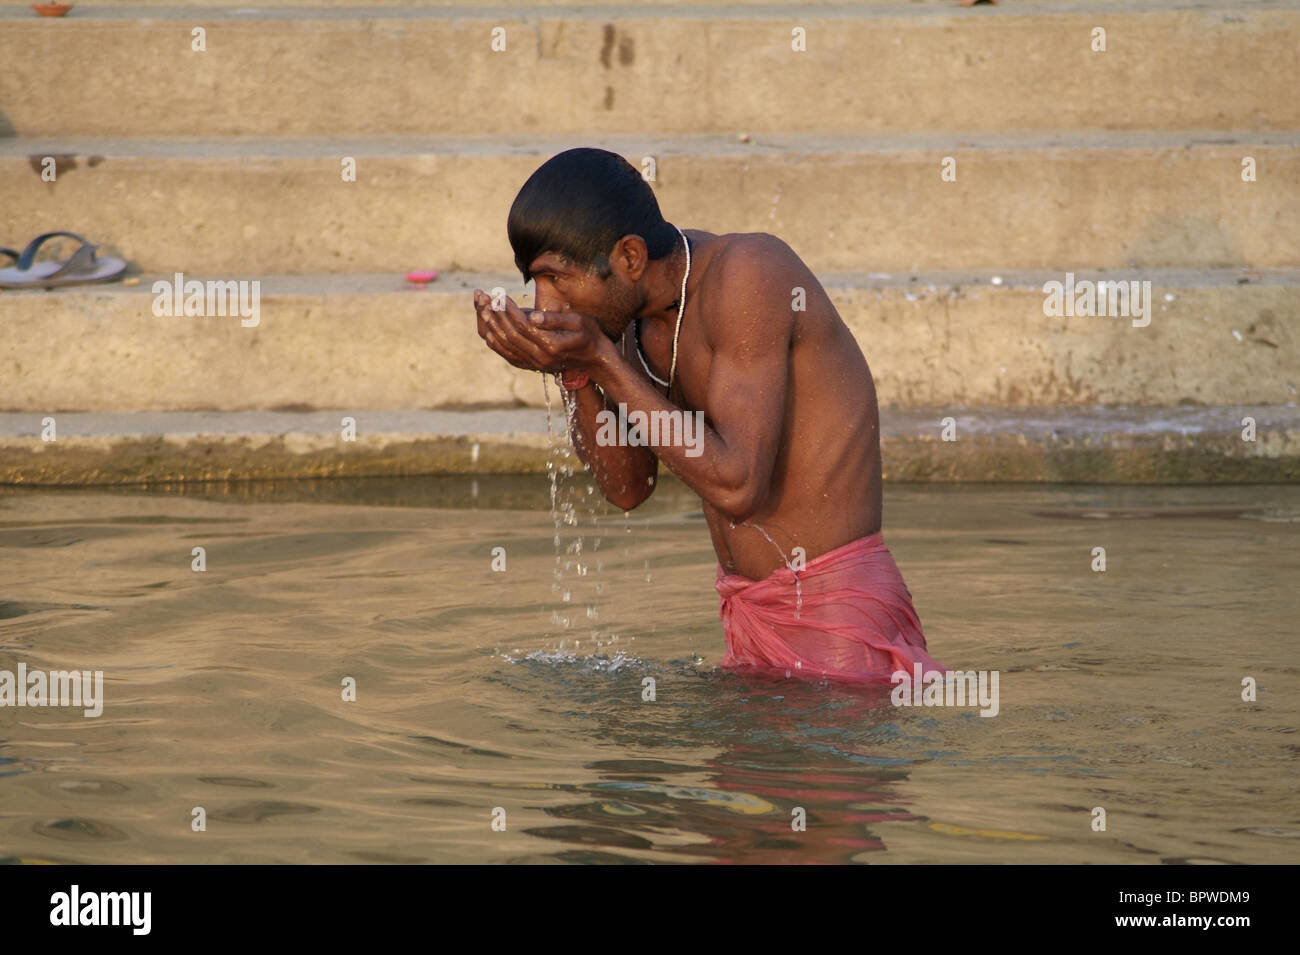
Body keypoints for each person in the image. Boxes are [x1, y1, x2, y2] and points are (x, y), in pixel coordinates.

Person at [474, 147, 946, 683]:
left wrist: (600, 360)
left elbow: (739, 484)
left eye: (557, 279)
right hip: (746, 619)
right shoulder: (626, 317)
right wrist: (574, 372)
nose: (545, 303)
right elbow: (627, 488)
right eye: (535, 283)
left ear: (629, 258)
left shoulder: (750, 275)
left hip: (840, 622)